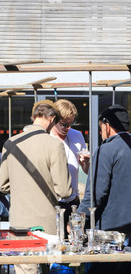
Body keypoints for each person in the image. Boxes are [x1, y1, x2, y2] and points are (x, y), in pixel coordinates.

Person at [0, 100, 72, 274]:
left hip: (18, 224)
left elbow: (2, 185)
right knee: (51, 270)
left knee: (25, 270)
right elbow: (64, 190)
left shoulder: (10, 143)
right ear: (52, 118)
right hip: (48, 225)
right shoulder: (54, 145)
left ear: (34, 117)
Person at [77, 104, 131, 274]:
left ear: (107, 126)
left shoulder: (107, 149)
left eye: (100, 129)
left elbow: (95, 193)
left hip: (111, 231)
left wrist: (79, 220)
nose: (101, 134)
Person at [50, 99, 90, 231]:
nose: (68, 128)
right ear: (54, 120)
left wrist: (86, 163)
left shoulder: (77, 135)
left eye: (71, 124)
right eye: (63, 124)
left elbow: (86, 171)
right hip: (53, 201)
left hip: (73, 201)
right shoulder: (46, 138)